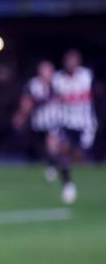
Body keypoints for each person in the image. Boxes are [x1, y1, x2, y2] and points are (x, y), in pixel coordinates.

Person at [50, 50, 97, 204]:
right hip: (66, 123)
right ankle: (68, 185)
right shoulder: (58, 79)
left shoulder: (87, 76)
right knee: (63, 149)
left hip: (85, 124)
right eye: (68, 61)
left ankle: (58, 165)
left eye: (74, 60)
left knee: (80, 156)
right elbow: (56, 100)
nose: (71, 64)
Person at [13, 60, 60, 183]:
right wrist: (21, 115)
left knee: (52, 143)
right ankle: (40, 164)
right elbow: (26, 102)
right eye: (44, 71)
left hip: (54, 120)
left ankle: (51, 168)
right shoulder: (33, 84)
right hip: (37, 122)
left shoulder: (58, 82)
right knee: (38, 149)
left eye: (48, 71)